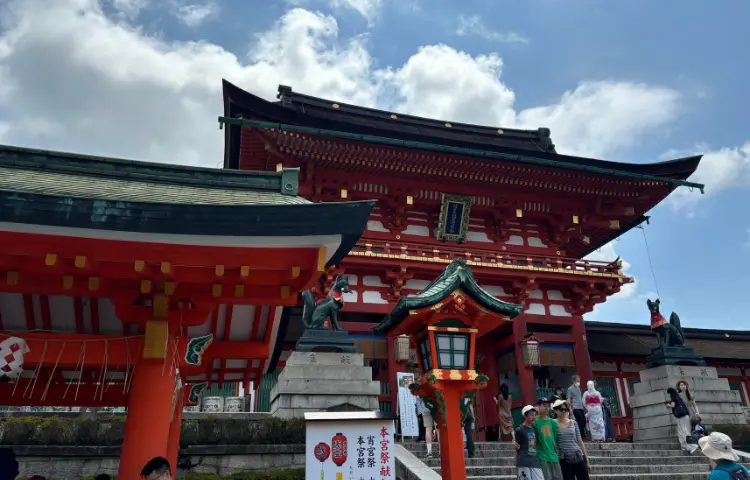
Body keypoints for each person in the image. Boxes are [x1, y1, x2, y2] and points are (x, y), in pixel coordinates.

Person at [552, 399, 590, 480]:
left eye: (566, 409)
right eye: (562, 409)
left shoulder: (573, 422)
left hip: (578, 456)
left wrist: (587, 461)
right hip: (563, 458)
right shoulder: (552, 423)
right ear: (556, 410)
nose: (564, 411)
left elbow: (580, 441)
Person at [534, 397, 563, 480]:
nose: (547, 408)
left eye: (548, 405)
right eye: (544, 405)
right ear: (538, 406)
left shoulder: (552, 422)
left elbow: (554, 438)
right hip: (542, 457)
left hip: (554, 456)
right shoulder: (534, 422)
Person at [515, 405, 544, 480]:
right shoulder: (519, 430)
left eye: (535, 415)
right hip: (524, 462)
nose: (534, 417)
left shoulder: (534, 430)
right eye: (531, 415)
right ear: (525, 415)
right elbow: (517, 447)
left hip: (535, 461)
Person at [666, 387, 698, 454]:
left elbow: (673, 405)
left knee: (685, 432)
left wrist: (668, 405)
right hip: (683, 416)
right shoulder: (679, 398)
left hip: (682, 417)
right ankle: (685, 447)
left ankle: (693, 447)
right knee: (682, 432)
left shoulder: (674, 397)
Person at [461, 392, 476, 459]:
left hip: (461, 413)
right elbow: (470, 406)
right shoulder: (468, 394)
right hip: (468, 413)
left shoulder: (458, 393)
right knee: (469, 433)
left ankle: (460, 449)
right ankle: (471, 452)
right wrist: (473, 416)